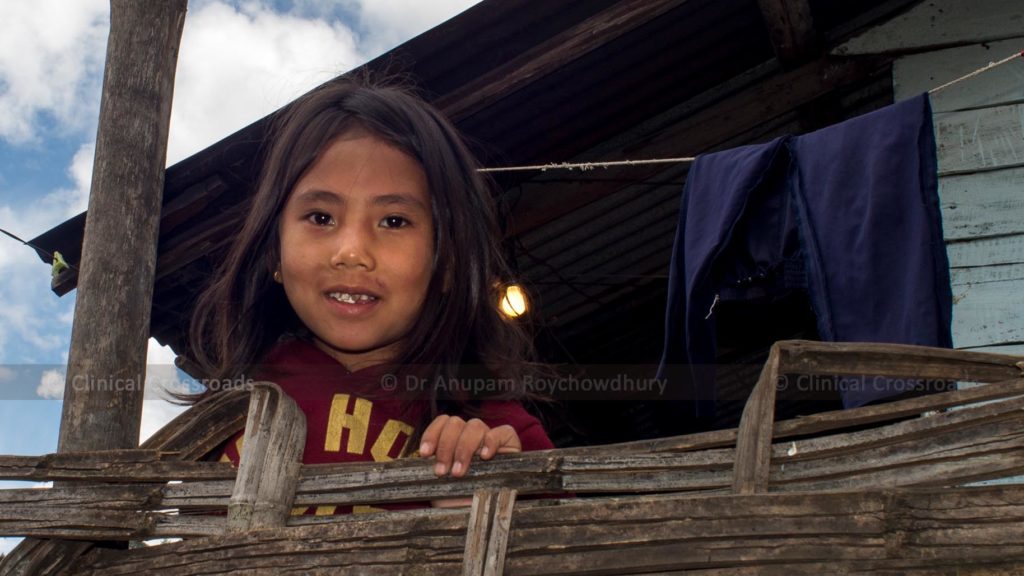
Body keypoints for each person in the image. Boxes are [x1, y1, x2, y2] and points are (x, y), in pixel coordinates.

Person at [186, 76, 554, 514]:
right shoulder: (221, 419)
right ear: (274, 254)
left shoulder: (495, 431)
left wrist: (488, 510)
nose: (352, 252)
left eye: (394, 221)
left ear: (447, 264)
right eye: (321, 217)